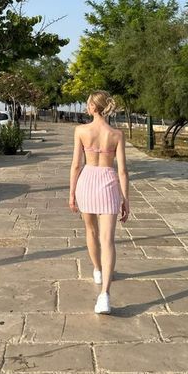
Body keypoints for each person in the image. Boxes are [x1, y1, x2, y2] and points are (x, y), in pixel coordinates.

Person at [69, 91, 129, 314]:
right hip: (108, 182)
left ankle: (97, 270)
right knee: (108, 240)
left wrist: (71, 193)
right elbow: (122, 170)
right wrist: (126, 199)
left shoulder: (81, 131)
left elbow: (76, 165)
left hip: (87, 181)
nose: (87, 107)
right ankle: (105, 294)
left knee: (91, 231)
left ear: (94, 107)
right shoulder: (117, 134)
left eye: (88, 104)